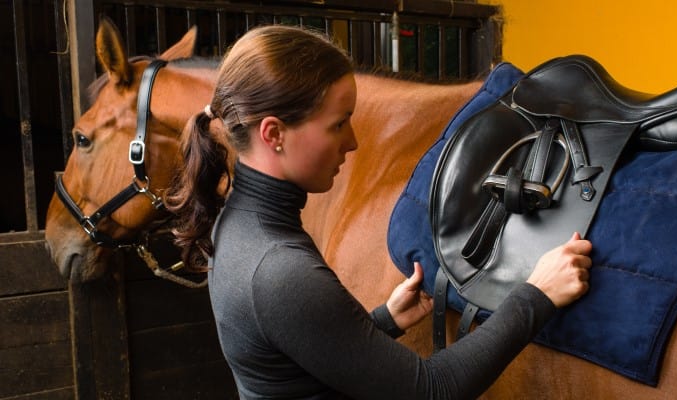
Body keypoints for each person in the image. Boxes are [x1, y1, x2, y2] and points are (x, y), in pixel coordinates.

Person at [166, 25, 592, 400]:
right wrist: (537, 294)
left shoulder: (238, 226)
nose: (352, 143)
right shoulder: (279, 269)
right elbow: (433, 389)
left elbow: (295, 363)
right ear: (273, 133)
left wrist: (383, 322)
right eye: (338, 124)